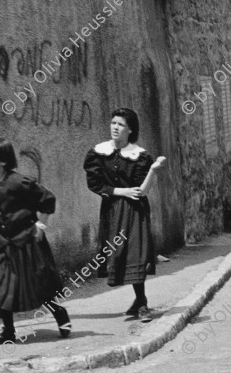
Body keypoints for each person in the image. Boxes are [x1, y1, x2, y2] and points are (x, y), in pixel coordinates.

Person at [0, 138, 71, 345]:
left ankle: (59, 312)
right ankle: (8, 331)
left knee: (38, 284)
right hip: (3, 244)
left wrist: (41, 226)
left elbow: (48, 200)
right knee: (2, 286)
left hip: (27, 241)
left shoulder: (19, 183)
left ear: (3, 162)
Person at [84, 108, 165, 323]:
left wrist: (154, 171)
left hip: (135, 211)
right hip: (112, 211)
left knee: (135, 254)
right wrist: (121, 191)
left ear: (130, 130)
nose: (115, 127)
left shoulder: (140, 156)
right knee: (118, 254)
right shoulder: (98, 153)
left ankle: (143, 303)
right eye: (113, 123)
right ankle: (139, 301)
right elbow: (95, 184)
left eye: (120, 124)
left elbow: (142, 191)